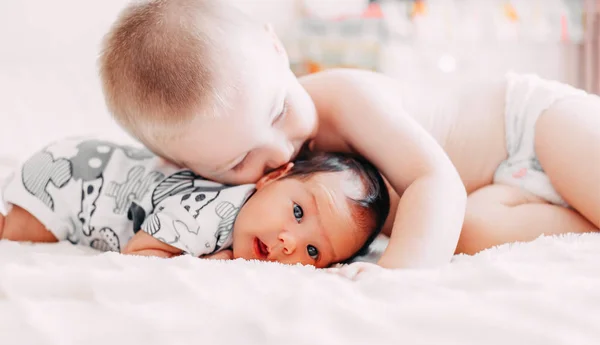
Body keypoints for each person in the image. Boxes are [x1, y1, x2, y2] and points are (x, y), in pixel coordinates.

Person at [98, 0, 600, 268]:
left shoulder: (345, 99)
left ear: (277, 50)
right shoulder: (214, 167)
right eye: (237, 161)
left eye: (277, 110)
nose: (279, 151)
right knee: (464, 233)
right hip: (489, 195)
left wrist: (398, 276)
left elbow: (433, 181)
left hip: (530, 126)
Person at [0, 138, 389, 268]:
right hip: (74, 177)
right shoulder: (209, 214)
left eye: (313, 250)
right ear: (271, 177)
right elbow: (140, 255)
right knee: (15, 230)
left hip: (90, 162)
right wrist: (209, 264)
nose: (289, 243)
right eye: (299, 212)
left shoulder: (245, 226)